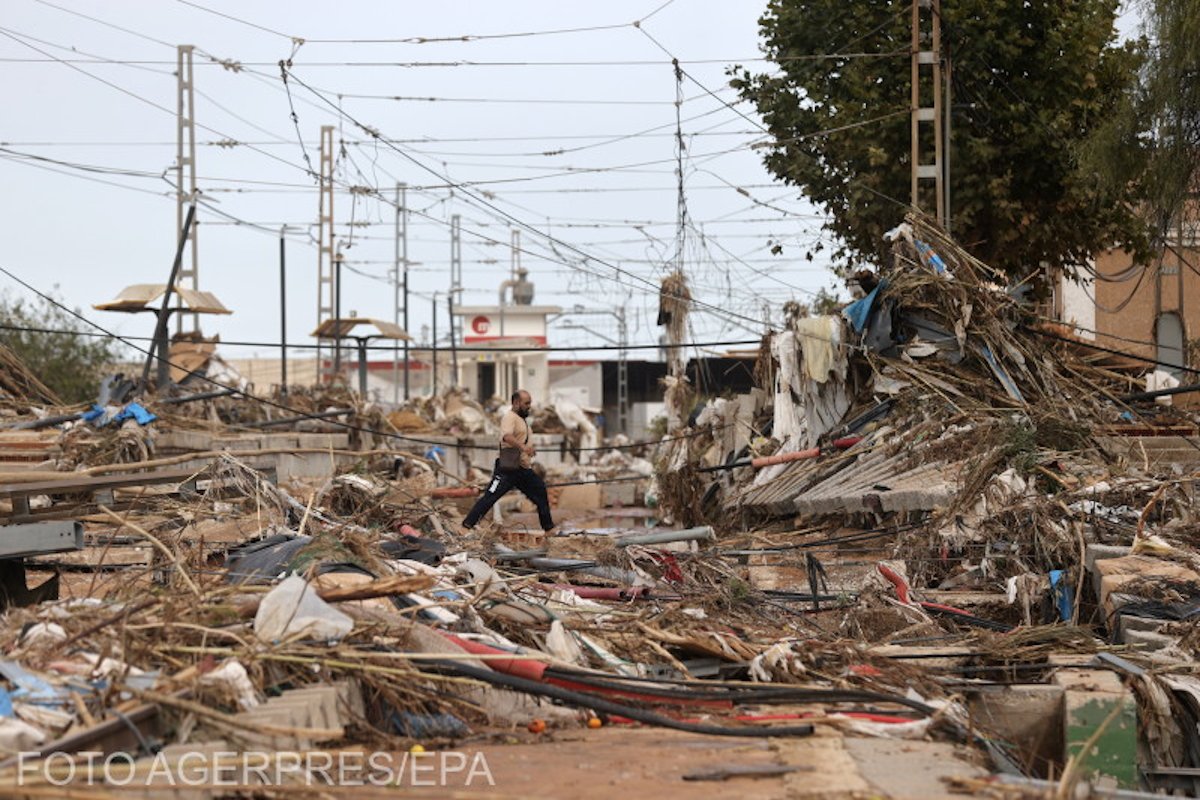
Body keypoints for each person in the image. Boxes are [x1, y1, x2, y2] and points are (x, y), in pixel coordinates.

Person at [461, 389, 556, 534]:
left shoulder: (522, 419)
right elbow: (507, 437)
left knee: (540, 492)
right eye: (526, 403)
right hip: (507, 469)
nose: (529, 406)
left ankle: (549, 528)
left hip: (522, 469)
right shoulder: (509, 417)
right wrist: (524, 447)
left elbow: (520, 438)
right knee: (490, 496)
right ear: (516, 403)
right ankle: (466, 526)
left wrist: (530, 449)